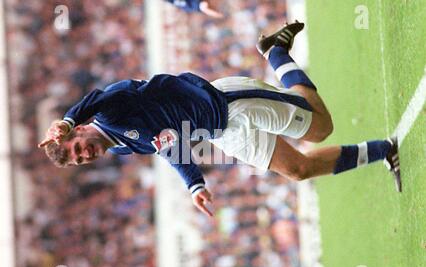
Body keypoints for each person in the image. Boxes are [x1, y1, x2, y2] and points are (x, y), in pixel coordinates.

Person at [38, 22, 401, 217]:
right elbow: (171, 148)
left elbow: (98, 96)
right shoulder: (119, 147)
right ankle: (384, 150)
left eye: (78, 148)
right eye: (80, 160)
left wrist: (67, 120)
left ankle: (275, 53)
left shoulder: (107, 110)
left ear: (80, 129)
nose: (85, 155)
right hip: (222, 133)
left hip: (229, 104)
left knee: (322, 128)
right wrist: (195, 185)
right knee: (299, 170)